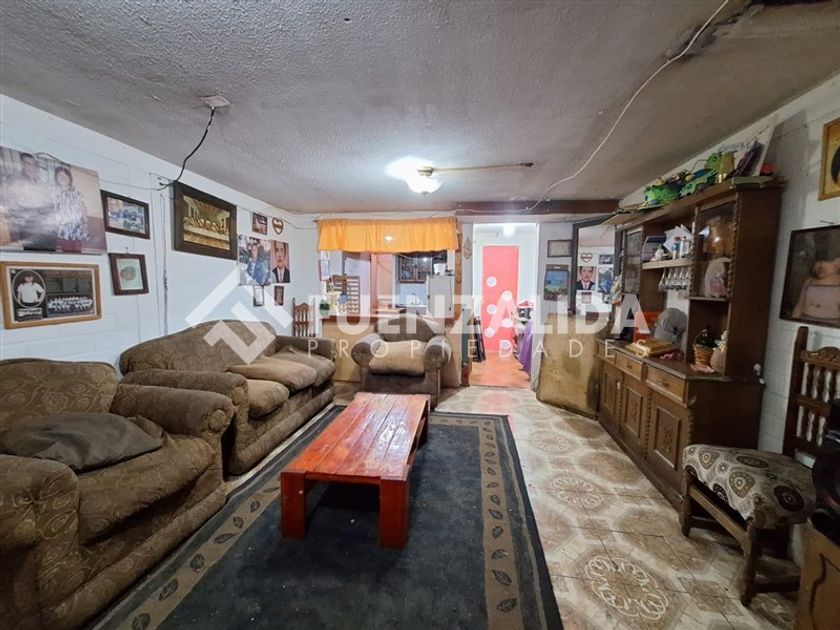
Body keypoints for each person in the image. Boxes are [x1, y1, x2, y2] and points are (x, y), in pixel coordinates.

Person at [1, 152, 56, 249]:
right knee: (32, 255)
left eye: (35, 164)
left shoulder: (42, 183)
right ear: (22, 164)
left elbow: (50, 203)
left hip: (47, 229)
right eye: (28, 164)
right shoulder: (13, 181)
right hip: (27, 230)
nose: (32, 167)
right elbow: (8, 206)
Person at [792, 257, 840, 325]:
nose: (820, 269)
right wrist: (792, 324)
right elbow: (799, 306)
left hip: (831, 325)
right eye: (816, 271)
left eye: (820, 265)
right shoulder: (809, 281)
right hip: (806, 322)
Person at [53, 166, 89, 252]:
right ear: (56, 179)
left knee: (78, 252)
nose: (62, 177)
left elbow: (83, 208)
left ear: (69, 177)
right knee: (67, 253)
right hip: (63, 228)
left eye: (65, 175)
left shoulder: (77, 193)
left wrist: (85, 224)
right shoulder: (55, 194)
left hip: (77, 228)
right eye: (59, 175)